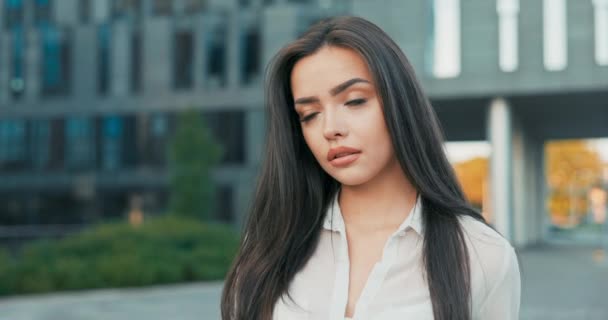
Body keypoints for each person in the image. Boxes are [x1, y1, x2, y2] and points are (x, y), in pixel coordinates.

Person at [221, 16, 520, 320]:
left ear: (399, 102)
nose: (330, 129)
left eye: (354, 101)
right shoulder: (271, 245)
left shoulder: (483, 254)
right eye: (309, 115)